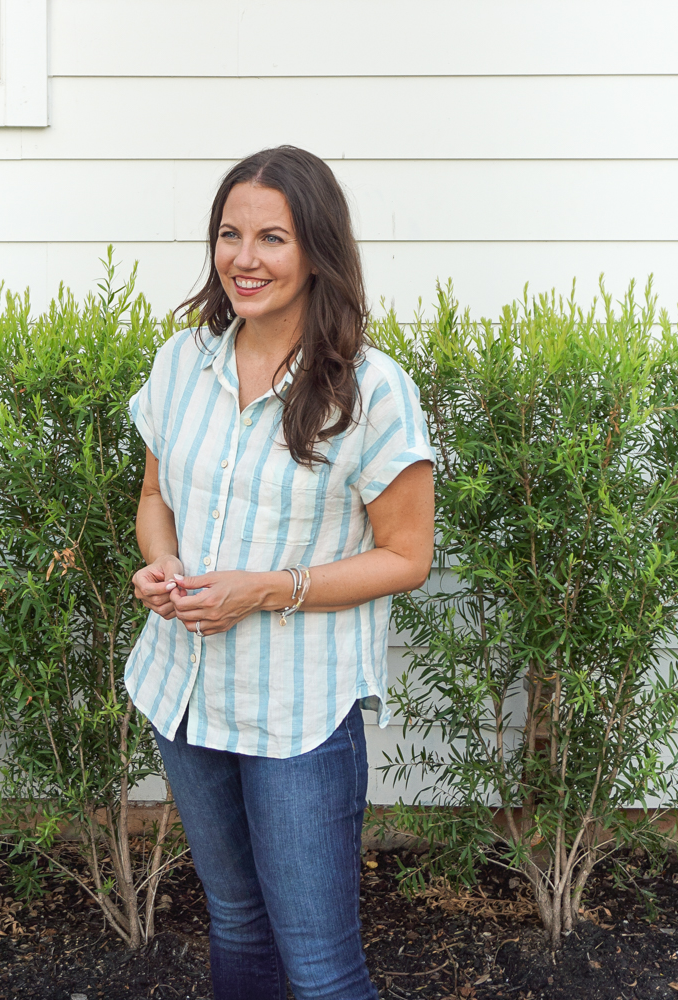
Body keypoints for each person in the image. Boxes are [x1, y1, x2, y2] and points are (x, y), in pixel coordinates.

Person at [128, 145, 435, 1000]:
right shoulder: (182, 362)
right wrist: (163, 567)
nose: (244, 258)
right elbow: (155, 498)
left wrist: (268, 588)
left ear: (317, 252)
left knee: (321, 968)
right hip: (185, 694)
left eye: (272, 237)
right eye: (230, 234)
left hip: (296, 716)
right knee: (235, 926)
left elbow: (408, 558)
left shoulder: (370, 392)